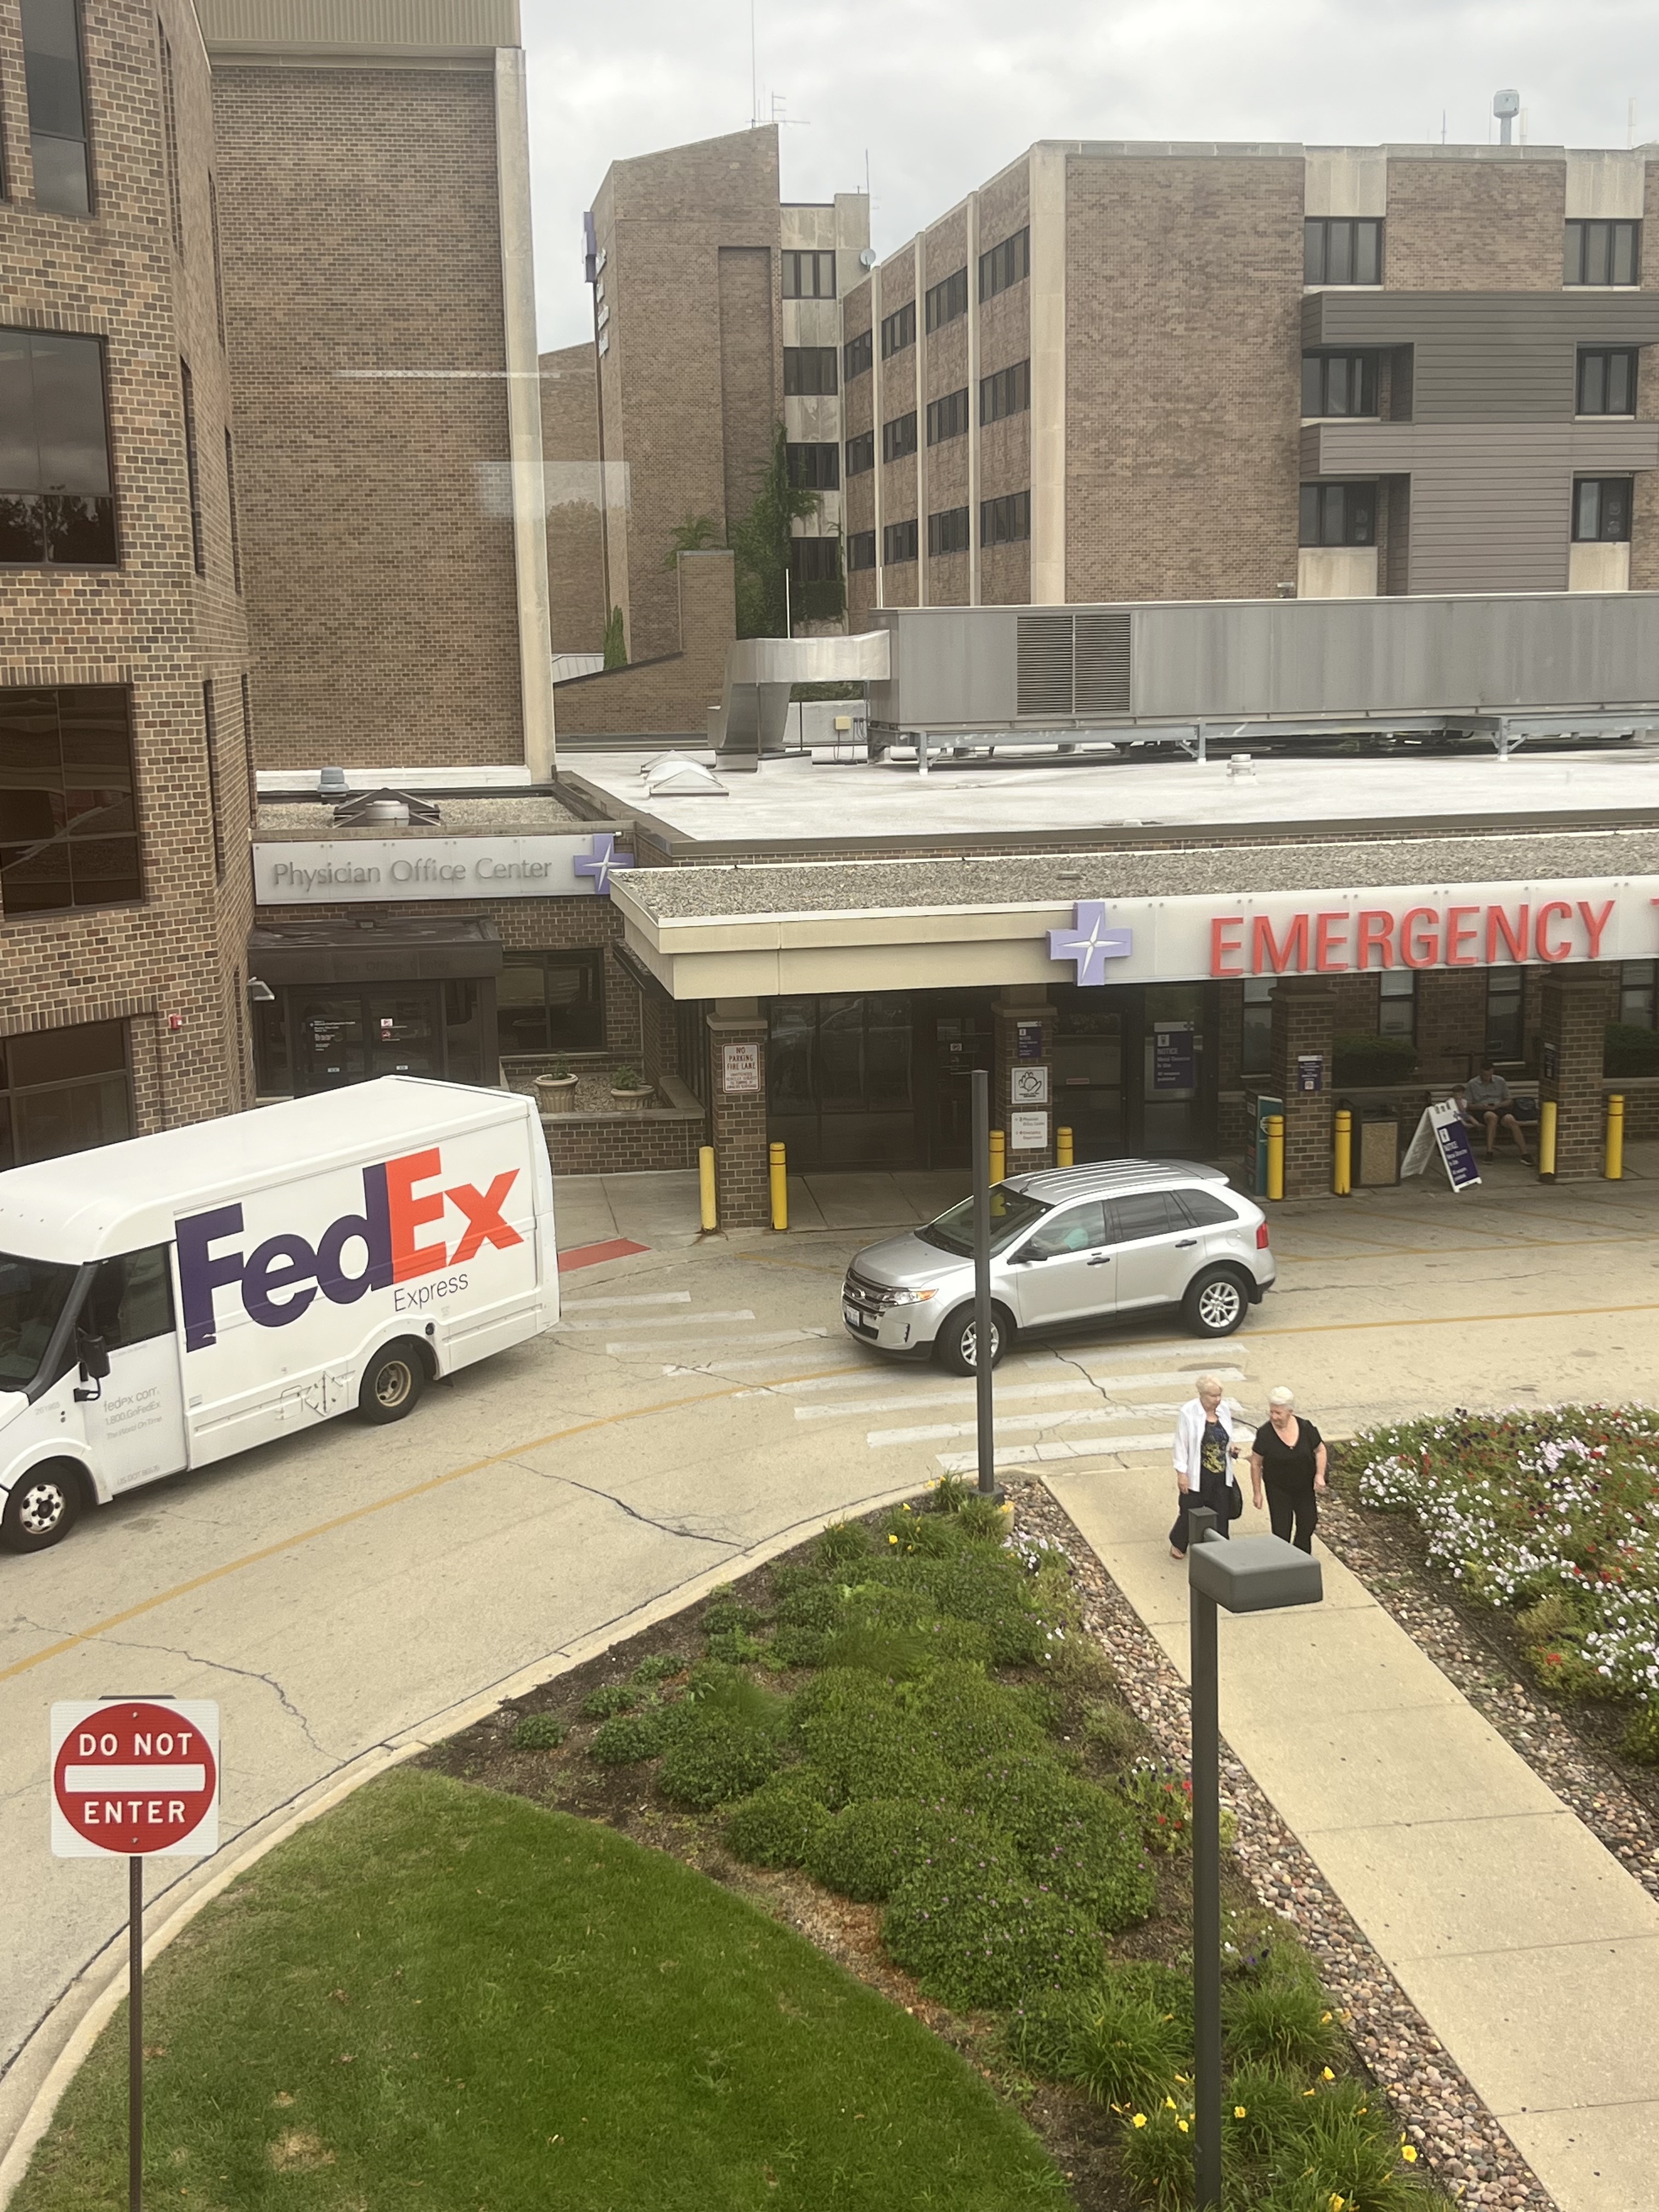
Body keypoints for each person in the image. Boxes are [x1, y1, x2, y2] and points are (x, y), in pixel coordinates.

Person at [1169, 1373, 1241, 1558]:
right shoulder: (1188, 1412)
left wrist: (1231, 1447)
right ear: (1202, 1394)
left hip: (1221, 1472)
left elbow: (1225, 1436)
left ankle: (1220, 1550)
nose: (1218, 1400)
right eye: (1213, 1396)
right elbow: (1181, 1444)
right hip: (1198, 1472)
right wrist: (1182, 1474)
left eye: (1219, 1395)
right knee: (1190, 1511)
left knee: (1221, 1513)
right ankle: (1179, 1543)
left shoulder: (1223, 1409)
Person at [1250, 1386, 1327, 1554]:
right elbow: (1256, 1463)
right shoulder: (1265, 1433)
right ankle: (1283, 1561)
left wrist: (1320, 1475)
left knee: (1308, 1522)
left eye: (1278, 1413)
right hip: (1278, 1488)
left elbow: (1320, 1450)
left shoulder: (1306, 1428)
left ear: (1290, 1412)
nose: (1274, 1417)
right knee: (1281, 1530)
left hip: (1304, 1486)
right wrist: (1257, 1492)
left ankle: (1300, 1554)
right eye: (1271, 1412)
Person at [1462, 1061, 1532, 1163]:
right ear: (1480, 1073)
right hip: (1481, 1109)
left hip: (1498, 1107)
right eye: (1485, 1075)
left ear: (1493, 1072)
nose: (1487, 1078)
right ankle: (1489, 1152)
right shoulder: (1472, 1084)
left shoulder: (1500, 1081)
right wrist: (1482, 1107)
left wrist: (1499, 1105)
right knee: (1492, 1117)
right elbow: (1468, 1105)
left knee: (1511, 1120)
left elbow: (1509, 1100)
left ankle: (1525, 1153)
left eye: (1489, 1075)